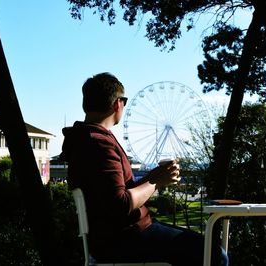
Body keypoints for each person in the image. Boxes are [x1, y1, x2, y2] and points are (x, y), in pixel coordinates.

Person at [60, 72, 228, 266]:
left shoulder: (84, 140)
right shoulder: (99, 145)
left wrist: (154, 176)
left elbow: (115, 194)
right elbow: (120, 204)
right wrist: (156, 182)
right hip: (124, 238)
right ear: (117, 104)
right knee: (215, 255)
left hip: (116, 235)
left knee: (203, 246)